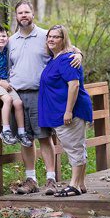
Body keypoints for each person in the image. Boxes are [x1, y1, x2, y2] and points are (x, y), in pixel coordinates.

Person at [0, 0, 80, 195]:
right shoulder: (10, 41)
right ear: (16, 16)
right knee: (25, 139)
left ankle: (51, 180)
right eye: (20, 12)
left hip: (41, 95)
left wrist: (79, 53)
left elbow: (67, 48)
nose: (24, 15)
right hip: (17, 97)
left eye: (27, 12)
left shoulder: (45, 36)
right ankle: (31, 179)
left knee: (45, 137)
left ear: (33, 14)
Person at [39, 25, 94, 197]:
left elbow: (74, 85)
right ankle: (81, 183)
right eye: (49, 36)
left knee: (73, 147)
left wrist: (68, 111)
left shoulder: (66, 59)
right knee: (77, 145)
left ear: (64, 40)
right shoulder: (56, 58)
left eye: (56, 37)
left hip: (71, 111)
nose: (51, 39)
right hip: (59, 111)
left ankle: (74, 185)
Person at [0, 24, 32, 148]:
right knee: (7, 99)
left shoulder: (7, 51)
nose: (2, 38)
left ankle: (21, 132)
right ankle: (6, 130)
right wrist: (1, 83)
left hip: (5, 82)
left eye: (4, 36)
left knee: (18, 103)